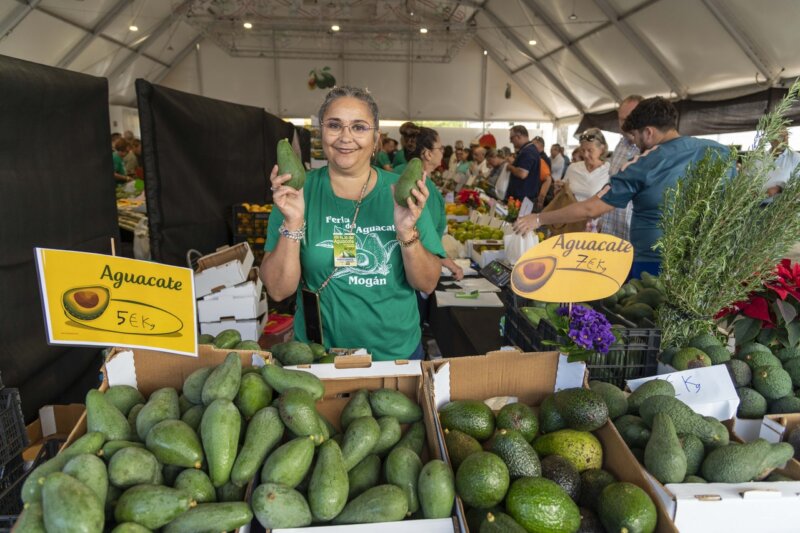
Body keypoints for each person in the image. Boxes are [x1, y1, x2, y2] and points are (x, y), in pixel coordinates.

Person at [261, 86, 444, 361]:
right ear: (322, 132)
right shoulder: (296, 192)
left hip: (395, 356)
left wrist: (407, 232)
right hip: (319, 356)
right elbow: (277, 289)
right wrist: (294, 221)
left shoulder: (403, 192)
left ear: (376, 138)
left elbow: (427, 283)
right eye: (334, 125)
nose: (346, 137)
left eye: (359, 127)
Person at [513, 96, 729, 278]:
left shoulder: (643, 163)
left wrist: (539, 218)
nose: (634, 143)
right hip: (701, 265)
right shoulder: (719, 152)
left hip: (650, 266)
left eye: (634, 136)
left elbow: (592, 208)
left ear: (649, 132)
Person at [403, 127, 464, 281]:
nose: (443, 152)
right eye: (441, 148)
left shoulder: (399, 174)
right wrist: (448, 262)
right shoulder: (421, 186)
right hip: (411, 271)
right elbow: (423, 233)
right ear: (428, 154)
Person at [597, 95, 644, 241]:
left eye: (629, 118)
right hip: (610, 233)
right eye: (621, 119)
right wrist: (601, 220)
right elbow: (611, 183)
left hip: (633, 236)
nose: (625, 125)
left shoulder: (651, 150)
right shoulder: (621, 145)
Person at [558, 128, 610, 202]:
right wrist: (559, 187)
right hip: (571, 212)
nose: (585, 155)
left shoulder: (609, 170)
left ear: (602, 149)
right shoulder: (573, 168)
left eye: (590, 150)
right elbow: (562, 191)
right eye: (583, 150)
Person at [505, 125, 541, 206]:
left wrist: (510, 167)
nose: (511, 141)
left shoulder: (528, 151)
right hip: (523, 197)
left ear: (518, 136)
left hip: (523, 199)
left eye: (511, 138)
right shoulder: (528, 149)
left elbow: (522, 174)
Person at [764, 127, 800, 197]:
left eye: (786, 136)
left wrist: (780, 188)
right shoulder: (759, 159)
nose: (785, 140)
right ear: (770, 139)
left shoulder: (797, 158)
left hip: (785, 206)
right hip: (757, 206)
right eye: (780, 137)